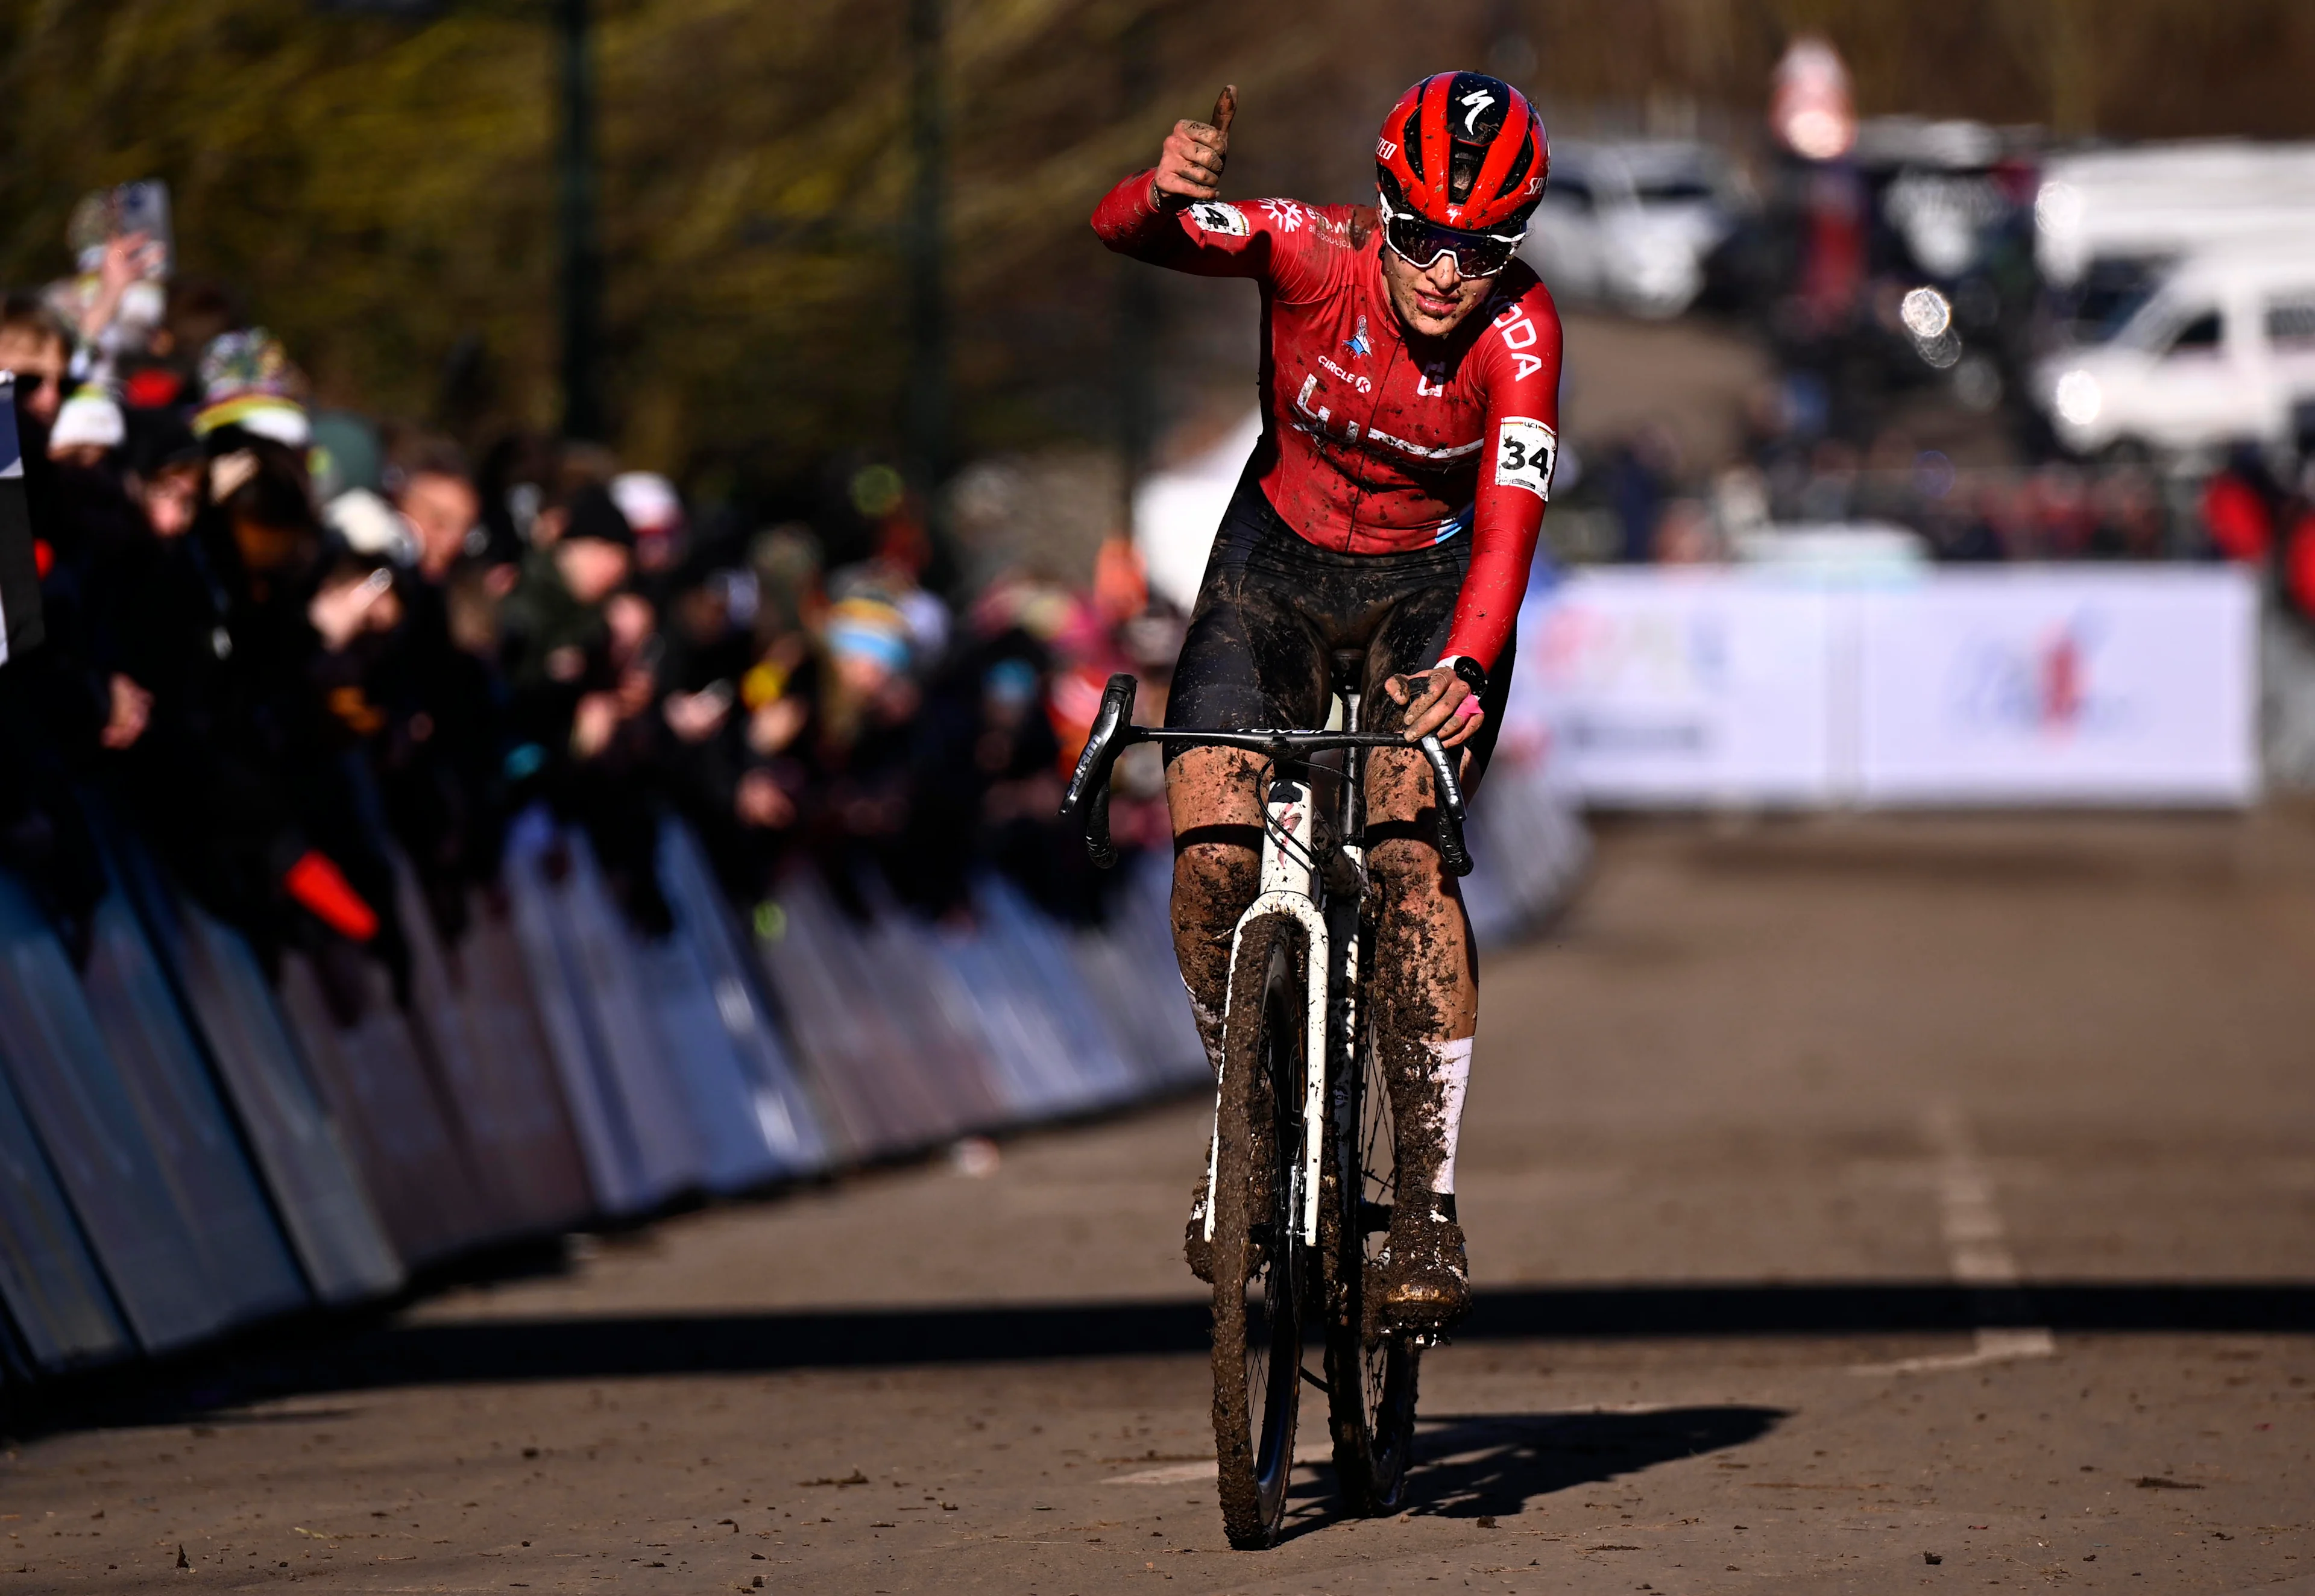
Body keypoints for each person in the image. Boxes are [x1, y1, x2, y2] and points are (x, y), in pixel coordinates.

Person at [1092, 72, 1563, 1331]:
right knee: (1207, 852)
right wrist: (1163, 189)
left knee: (1411, 855)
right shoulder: (1307, 249)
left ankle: (1427, 1202)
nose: (1446, 274)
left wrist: (1465, 665)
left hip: (1431, 591)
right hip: (1274, 569)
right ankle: (1242, 1125)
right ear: (1381, 211)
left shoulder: (1523, 336)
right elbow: (1123, 232)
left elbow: (1513, 531)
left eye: (1483, 249)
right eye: (1421, 238)